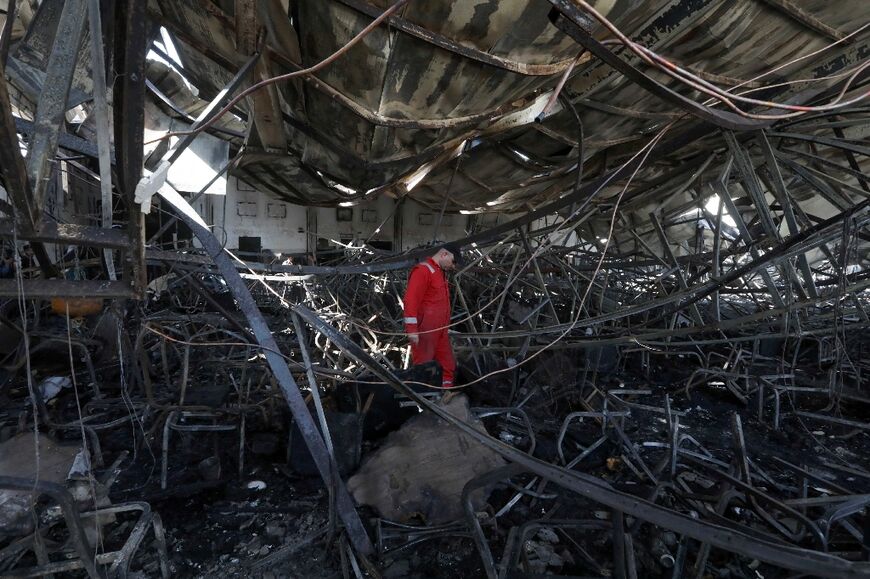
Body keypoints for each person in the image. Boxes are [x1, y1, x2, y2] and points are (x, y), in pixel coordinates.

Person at [403, 246, 459, 389]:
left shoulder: (439, 272)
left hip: (441, 331)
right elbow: (411, 301)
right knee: (423, 367)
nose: (453, 266)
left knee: (448, 365)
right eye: (453, 262)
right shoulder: (422, 271)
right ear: (444, 254)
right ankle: (422, 402)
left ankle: (446, 396)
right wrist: (412, 330)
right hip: (426, 332)